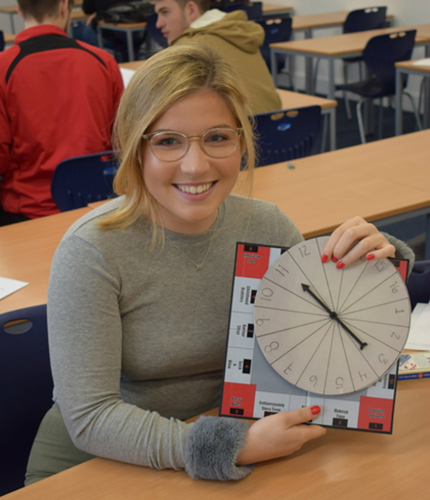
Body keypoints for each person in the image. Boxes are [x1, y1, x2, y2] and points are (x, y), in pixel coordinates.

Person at [25, 43, 413, 484]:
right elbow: (90, 416)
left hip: (229, 437)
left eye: (217, 138)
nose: (195, 164)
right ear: (135, 148)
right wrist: (229, 445)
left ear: (241, 143)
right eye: (168, 142)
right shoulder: (91, 250)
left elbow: (331, 337)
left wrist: (378, 267)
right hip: (102, 461)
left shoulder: (266, 225)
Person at [0, 0, 124, 226]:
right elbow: (123, 140)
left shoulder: (4, 68)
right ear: (64, 7)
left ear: (19, 9)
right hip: (97, 206)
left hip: (27, 212)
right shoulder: (104, 61)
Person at [154, 0, 282, 115]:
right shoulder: (237, 32)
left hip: (240, 137)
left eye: (165, 12)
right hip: (278, 132)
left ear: (191, 10)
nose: (158, 24)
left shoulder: (188, 47)